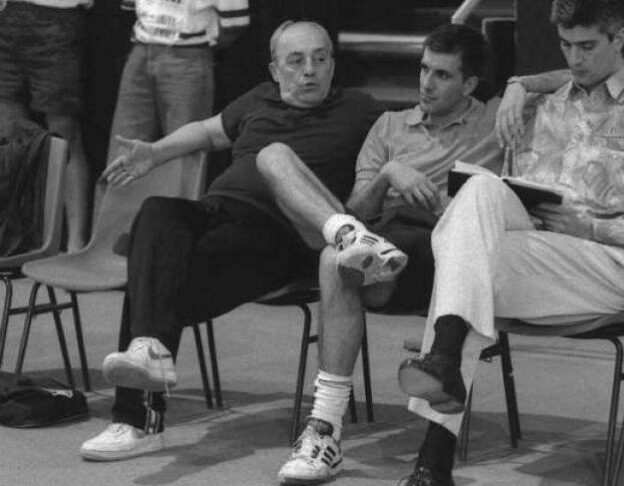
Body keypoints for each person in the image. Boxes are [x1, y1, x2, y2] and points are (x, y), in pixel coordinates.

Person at [397, 0, 624, 484]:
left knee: (467, 262)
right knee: (478, 194)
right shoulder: (542, 105)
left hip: (609, 267)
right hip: (534, 255)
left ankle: (435, 442)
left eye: (588, 46)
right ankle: (440, 402)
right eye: (565, 45)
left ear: (619, 38)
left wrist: (588, 225)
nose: (575, 58)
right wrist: (521, 86)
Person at [78, 20, 405, 462]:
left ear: (333, 63)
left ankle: (137, 418)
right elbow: (208, 131)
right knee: (156, 214)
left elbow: (407, 139)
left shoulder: (360, 110)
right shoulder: (259, 98)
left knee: (150, 274)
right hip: (218, 215)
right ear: (275, 69)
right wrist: (155, 153)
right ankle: (148, 353)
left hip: (279, 236)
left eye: (320, 58)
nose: (310, 70)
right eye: (296, 61)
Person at [277, 24, 504, 485]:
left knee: (344, 259)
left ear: (470, 84)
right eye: (423, 69)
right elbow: (355, 211)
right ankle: (324, 432)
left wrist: (520, 86)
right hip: (385, 241)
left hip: (449, 256)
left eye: (442, 75)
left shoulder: (495, 126)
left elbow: (569, 75)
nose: (426, 83)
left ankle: (324, 426)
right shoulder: (389, 126)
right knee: (335, 257)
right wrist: (388, 175)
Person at [93, 0, 250, 216]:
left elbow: (235, 21)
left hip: (188, 54)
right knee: (124, 149)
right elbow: (130, 6)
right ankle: (113, 234)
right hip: (142, 48)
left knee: (183, 152)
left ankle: (175, 233)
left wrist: (201, 44)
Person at [0, 0, 92, 251]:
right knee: (8, 136)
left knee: (65, 135)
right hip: (8, 15)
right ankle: (12, 239)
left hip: (57, 16)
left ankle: (75, 243)